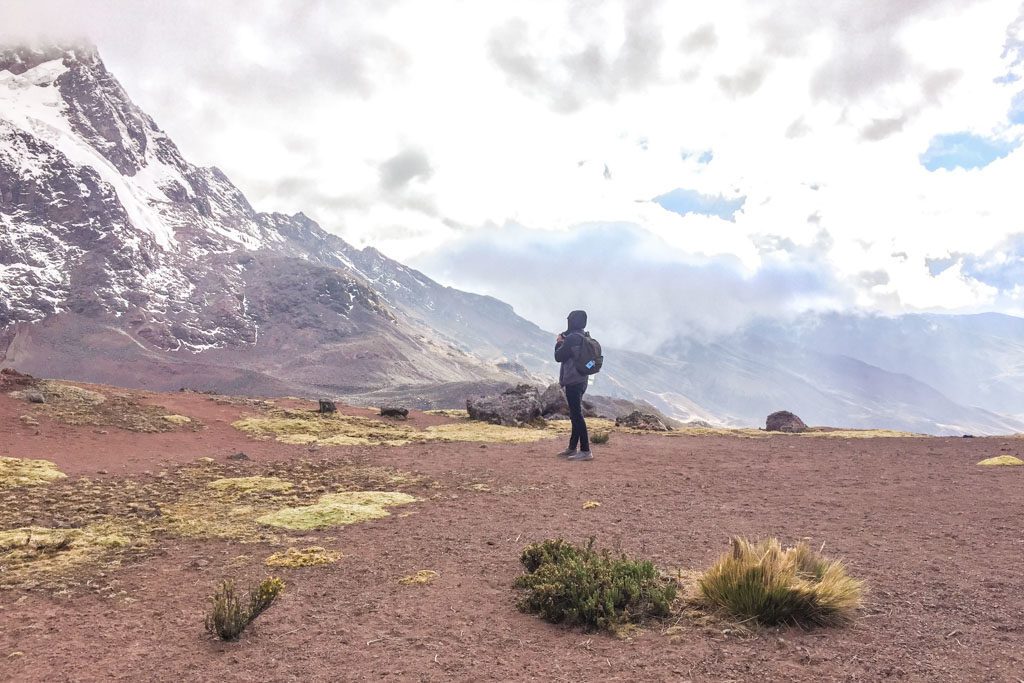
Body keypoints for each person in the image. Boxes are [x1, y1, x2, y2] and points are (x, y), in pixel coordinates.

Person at [554, 309, 592, 461]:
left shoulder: (571, 339)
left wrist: (558, 343)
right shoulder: (584, 336)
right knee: (575, 414)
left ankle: (585, 450)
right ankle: (572, 448)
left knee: (576, 415)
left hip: (573, 380)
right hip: (583, 380)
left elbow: (558, 357)